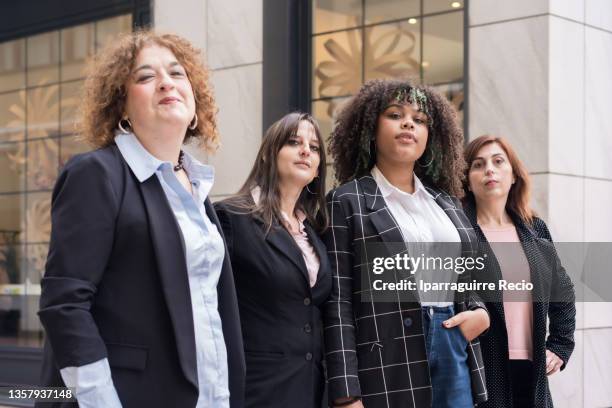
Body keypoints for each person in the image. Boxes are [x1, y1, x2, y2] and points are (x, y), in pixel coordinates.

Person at [37, 31, 245, 407]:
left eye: (177, 73)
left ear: (195, 103)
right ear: (122, 108)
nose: (166, 82)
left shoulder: (198, 190)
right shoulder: (97, 174)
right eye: (146, 77)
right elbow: (64, 304)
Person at [323, 78, 490, 408]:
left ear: (431, 136)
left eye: (420, 119)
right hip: (386, 357)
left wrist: (481, 313)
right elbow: (338, 303)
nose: (408, 123)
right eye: (395, 114)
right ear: (371, 127)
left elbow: (470, 278)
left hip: (453, 343)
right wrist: (346, 393)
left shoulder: (447, 203)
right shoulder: (346, 201)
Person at [214, 112, 331, 407]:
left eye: (314, 147)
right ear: (268, 155)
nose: (306, 150)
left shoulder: (315, 232)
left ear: (318, 169)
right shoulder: (230, 217)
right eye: (294, 142)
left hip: (310, 390)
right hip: (255, 388)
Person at [463, 135, 575, 408]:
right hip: (478, 369)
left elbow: (563, 290)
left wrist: (560, 345)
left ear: (513, 175)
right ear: (467, 179)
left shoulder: (534, 228)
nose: (489, 169)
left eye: (498, 161)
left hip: (532, 368)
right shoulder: (458, 232)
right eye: (478, 164)